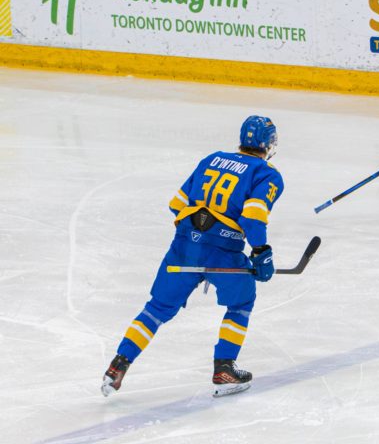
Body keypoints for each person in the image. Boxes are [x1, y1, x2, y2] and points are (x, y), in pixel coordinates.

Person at [101, 116, 283, 398]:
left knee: (156, 309)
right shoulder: (266, 173)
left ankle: (118, 364)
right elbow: (254, 217)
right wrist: (261, 252)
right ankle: (224, 368)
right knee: (241, 303)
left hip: (184, 247)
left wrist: (196, 237)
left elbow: (176, 205)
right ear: (269, 144)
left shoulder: (213, 159)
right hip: (224, 255)